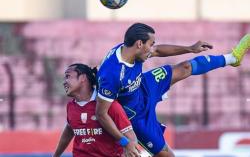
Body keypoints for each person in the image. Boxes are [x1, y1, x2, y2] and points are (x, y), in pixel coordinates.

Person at [95, 23, 250, 157]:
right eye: (151, 43)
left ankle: (232, 58)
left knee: (186, 67)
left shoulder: (131, 51)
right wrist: (125, 141)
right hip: (136, 117)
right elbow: (101, 113)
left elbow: (157, 51)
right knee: (167, 155)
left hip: (143, 86)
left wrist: (190, 48)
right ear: (140, 44)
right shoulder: (112, 73)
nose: (152, 48)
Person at [53, 63, 139, 157]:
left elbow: (131, 137)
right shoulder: (70, 106)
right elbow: (70, 129)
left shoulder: (108, 105)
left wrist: (128, 148)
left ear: (83, 78)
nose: (64, 82)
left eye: (68, 76)